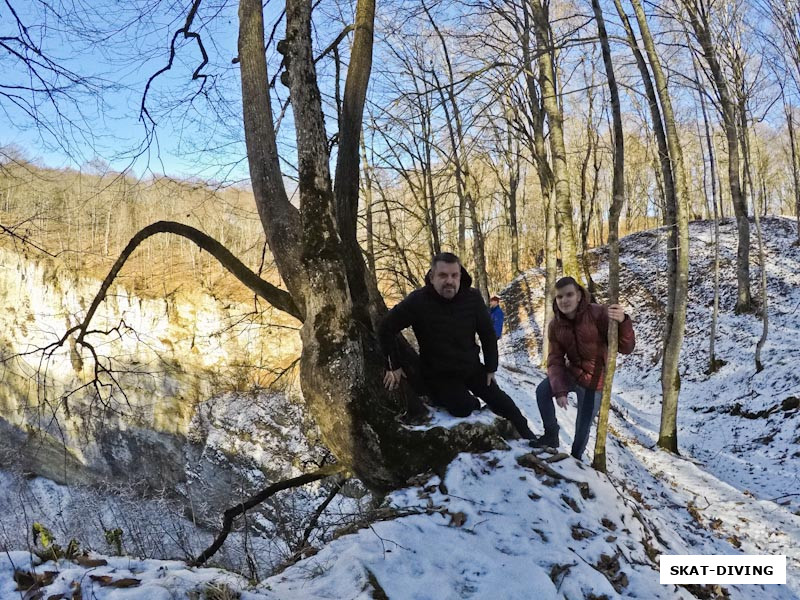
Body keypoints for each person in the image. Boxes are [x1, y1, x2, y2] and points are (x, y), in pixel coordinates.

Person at [378, 252, 535, 439]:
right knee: (462, 408)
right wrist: (392, 365)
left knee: (504, 403)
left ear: (460, 275)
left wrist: (491, 367)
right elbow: (386, 327)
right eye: (443, 275)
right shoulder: (418, 301)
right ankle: (474, 405)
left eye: (454, 275)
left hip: (471, 367)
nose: (449, 281)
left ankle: (532, 440)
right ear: (432, 277)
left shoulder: (472, 298)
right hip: (439, 374)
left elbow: (487, 333)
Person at [531, 276, 635, 459]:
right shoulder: (555, 325)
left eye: (569, 294)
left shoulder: (599, 314)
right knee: (542, 391)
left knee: (583, 425)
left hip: (595, 380)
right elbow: (555, 359)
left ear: (579, 295)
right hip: (572, 373)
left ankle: (575, 458)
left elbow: (626, 348)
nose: (564, 300)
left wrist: (624, 320)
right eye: (560, 297)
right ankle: (551, 436)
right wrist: (559, 389)